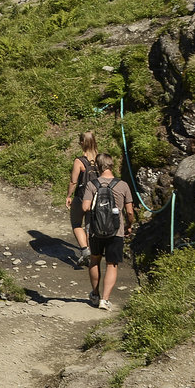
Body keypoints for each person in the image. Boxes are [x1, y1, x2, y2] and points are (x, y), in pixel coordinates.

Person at [80, 153, 135, 310]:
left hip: (95, 230)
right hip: (115, 231)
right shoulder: (122, 185)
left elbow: (85, 207)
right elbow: (130, 212)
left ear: (98, 166)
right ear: (112, 165)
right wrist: (129, 226)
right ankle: (105, 300)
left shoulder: (92, 184)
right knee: (112, 264)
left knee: (95, 260)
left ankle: (95, 294)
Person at [65, 131, 99, 266]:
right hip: (97, 198)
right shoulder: (101, 159)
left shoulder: (79, 161)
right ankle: (93, 254)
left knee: (76, 223)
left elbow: (73, 181)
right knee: (90, 226)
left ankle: (85, 251)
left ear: (81, 143)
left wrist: (68, 196)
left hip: (81, 197)